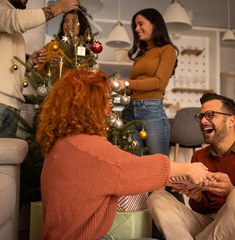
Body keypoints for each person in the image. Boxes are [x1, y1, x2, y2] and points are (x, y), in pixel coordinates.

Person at [35, 70, 211, 239]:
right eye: (106, 100)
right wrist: (188, 168)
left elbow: (124, 170)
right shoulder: (89, 148)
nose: (110, 108)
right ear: (91, 105)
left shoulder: (63, 143)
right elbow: (133, 168)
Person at [148, 93, 235, 239]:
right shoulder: (199, 157)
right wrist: (197, 198)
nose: (203, 121)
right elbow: (204, 210)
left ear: (231, 121)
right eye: (201, 116)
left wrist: (231, 191)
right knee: (157, 197)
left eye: (210, 115)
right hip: (212, 226)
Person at [0, 0, 78, 138]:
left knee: (4, 160)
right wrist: (58, 8)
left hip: (13, 105)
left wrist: (30, 62)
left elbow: (10, 68)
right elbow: (14, 20)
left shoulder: (11, 25)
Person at [113, 8, 184, 203]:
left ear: (155, 24)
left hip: (151, 110)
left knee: (160, 168)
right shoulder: (141, 55)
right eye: (135, 25)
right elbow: (131, 89)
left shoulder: (167, 50)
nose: (136, 28)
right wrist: (113, 90)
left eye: (141, 23)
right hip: (132, 111)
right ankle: (144, 216)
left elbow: (159, 82)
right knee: (136, 167)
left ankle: (178, 216)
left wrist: (126, 83)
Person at [36, 9, 92, 78]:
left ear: (81, 25)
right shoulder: (52, 46)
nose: (69, 24)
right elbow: (38, 76)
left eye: (74, 21)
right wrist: (47, 66)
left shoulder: (86, 50)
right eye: (66, 21)